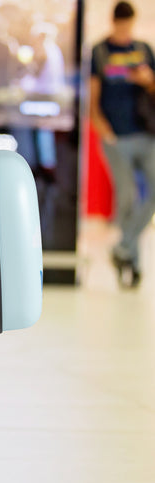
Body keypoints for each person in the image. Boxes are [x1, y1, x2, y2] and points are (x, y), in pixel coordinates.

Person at [90, 1, 155, 288]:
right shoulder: (100, 51)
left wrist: (148, 80)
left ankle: (123, 248)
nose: (125, 30)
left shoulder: (144, 49)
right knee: (127, 198)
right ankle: (133, 264)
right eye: (121, 25)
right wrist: (102, 127)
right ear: (114, 22)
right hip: (116, 137)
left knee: (149, 196)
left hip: (146, 134)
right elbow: (93, 95)